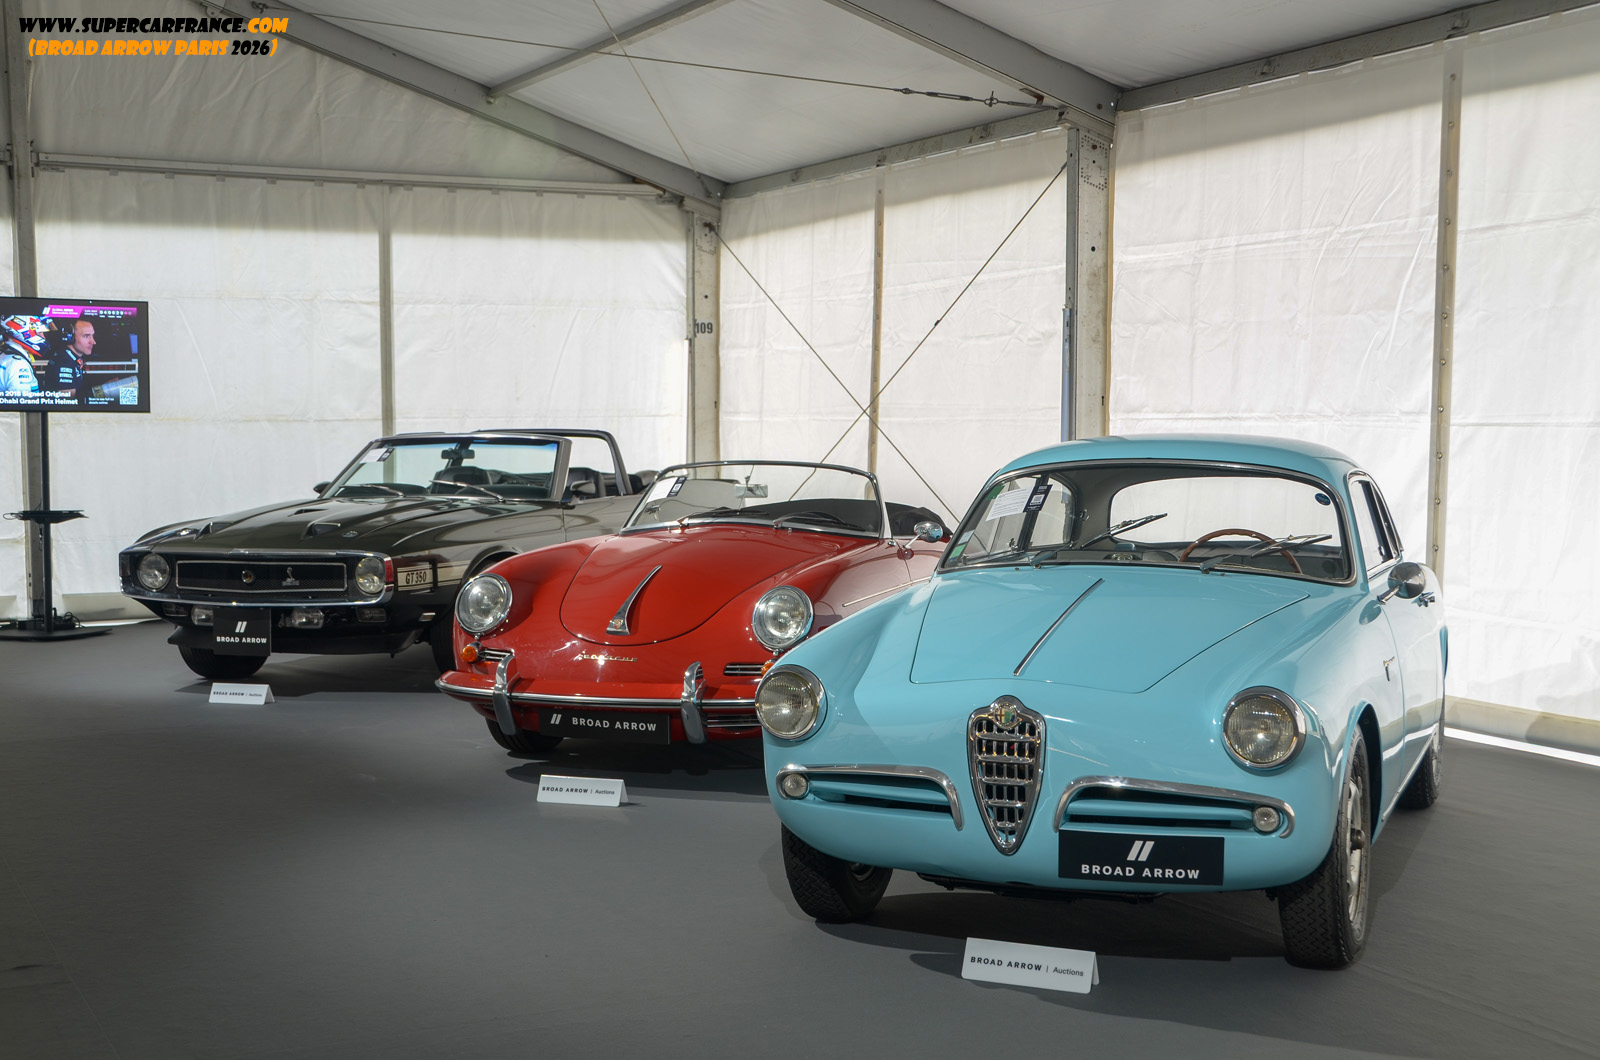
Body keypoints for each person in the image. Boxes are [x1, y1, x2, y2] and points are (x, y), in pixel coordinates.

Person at [39, 317, 93, 396]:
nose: (93, 342)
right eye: (86, 336)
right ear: (70, 336)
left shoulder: (69, 357)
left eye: (92, 336)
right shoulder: (64, 362)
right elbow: (68, 400)